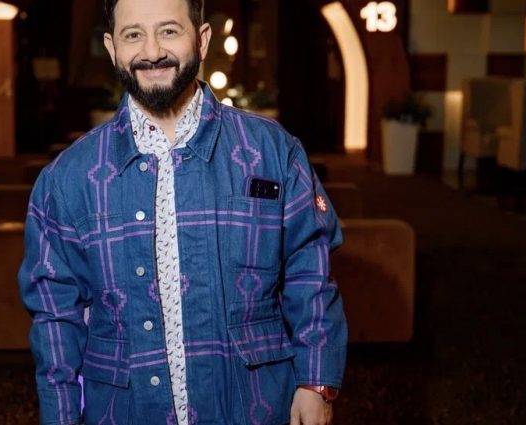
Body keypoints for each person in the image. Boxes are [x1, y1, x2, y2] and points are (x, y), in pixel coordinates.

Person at [18, 0, 347, 423]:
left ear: (202, 40)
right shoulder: (68, 178)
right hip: (123, 412)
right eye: (133, 35)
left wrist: (316, 383)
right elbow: (55, 316)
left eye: (169, 31)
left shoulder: (272, 150)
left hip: (254, 407)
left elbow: (310, 272)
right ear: (112, 48)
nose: (152, 51)